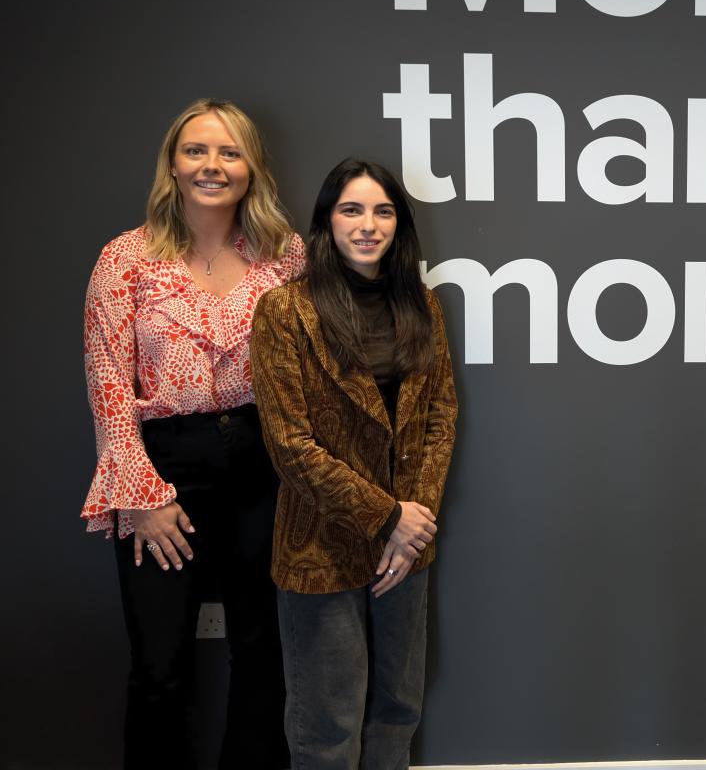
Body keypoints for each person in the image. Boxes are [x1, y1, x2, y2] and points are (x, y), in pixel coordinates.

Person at [82, 99, 302, 769]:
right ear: (173, 165)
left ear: (251, 168)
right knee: (159, 660)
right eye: (197, 150)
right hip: (162, 464)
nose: (212, 165)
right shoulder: (125, 258)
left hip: (264, 462)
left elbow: (308, 369)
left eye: (229, 152)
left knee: (264, 651)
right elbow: (107, 380)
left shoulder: (286, 256)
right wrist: (142, 493)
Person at [251, 158, 458, 770]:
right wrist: (387, 516)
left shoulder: (422, 306)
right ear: (327, 222)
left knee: (398, 710)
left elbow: (439, 416)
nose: (368, 225)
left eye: (383, 210)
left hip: (407, 545)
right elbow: (290, 444)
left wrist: (413, 524)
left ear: (399, 223)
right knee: (328, 723)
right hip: (321, 543)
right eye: (351, 209)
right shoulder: (285, 311)